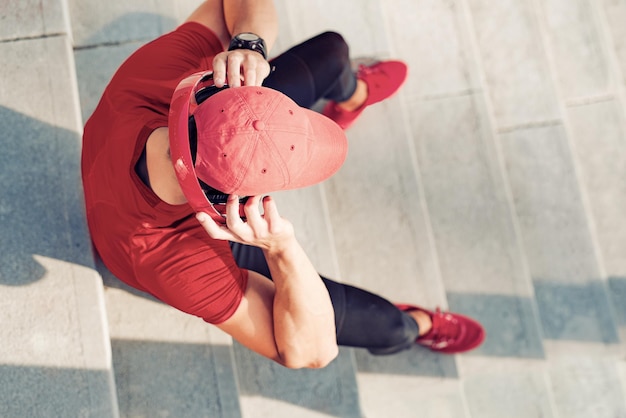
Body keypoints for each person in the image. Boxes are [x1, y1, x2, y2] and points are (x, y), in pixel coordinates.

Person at [81, 0, 485, 369]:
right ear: (238, 203)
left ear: (217, 92)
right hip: (183, 237)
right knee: (388, 327)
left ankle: (353, 95)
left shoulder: (160, 71)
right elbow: (311, 352)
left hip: (181, 167)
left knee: (331, 51)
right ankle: (419, 324)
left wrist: (248, 44)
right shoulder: (172, 263)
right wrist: (281, 249)